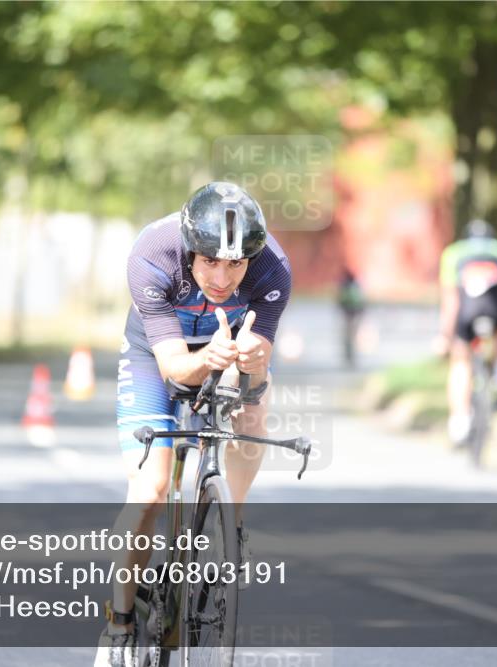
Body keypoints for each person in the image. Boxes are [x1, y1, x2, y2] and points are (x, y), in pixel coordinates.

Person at [95, 182, 292, 667]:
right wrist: (208, 358)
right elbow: (176, 369)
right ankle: (120, 621)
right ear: (189, 249)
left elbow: (256, 375)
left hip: (227, 347)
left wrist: (252, 363)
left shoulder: (273, 267)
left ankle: (231, 523)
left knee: (252, 407)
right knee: (151, 490)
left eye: (236, 264)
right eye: (209, 261)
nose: (222, 278)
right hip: (157, 354)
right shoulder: (153, 253)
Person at [433, 219, 497, 446]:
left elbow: (450, 300)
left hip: (467, 313)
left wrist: (445, 335)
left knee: (460, 361)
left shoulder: (453, 254)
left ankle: (459, 421)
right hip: (496, 312)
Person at [337, 267, 366, 367]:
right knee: (352, 336)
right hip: (354, 314)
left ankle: (349, 355)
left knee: (348, 337)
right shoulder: (355, 286)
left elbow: (340, 301)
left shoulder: (345, 286)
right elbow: (361, 302)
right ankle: (351, 356)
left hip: (349, 314)